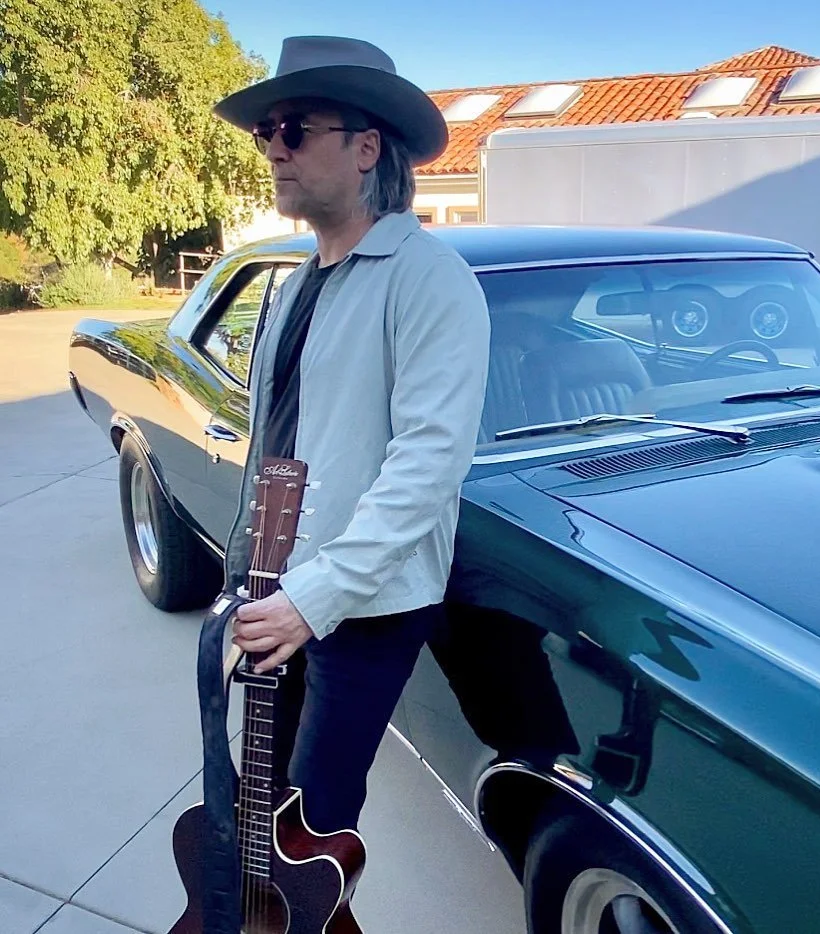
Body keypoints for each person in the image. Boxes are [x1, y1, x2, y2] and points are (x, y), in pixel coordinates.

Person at [212, 36, 491, 835]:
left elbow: (430, 462)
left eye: (295, 128)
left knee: (318, 818)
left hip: (365, 602)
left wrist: (315, 599)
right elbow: (280, 441)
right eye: (267, 133)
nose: (273, 149)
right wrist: (248, 576)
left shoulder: (429, 277)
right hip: (279, 583)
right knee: (260, 798)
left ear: (367, 147)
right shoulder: (298, 282)